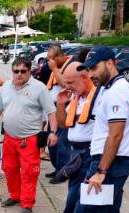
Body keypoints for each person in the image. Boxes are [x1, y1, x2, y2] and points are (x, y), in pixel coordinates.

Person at [40, 47, 129, 213]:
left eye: (95, 68)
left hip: (108, 163)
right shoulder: (111, 89)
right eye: (89, 69)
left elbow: (115, 134)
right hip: (113, 162)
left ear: (111, 63)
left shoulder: (117, 93)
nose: (92, 74)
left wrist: (101, 170)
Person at [36, 62, 100, 213]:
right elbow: (64, 124)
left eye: (70, 82)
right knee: (78, 196)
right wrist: (62, 105)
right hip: (76, 152)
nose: (67, 86)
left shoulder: (98, 97)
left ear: (85, 77)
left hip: (89, 153)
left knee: (77, 198)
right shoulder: (76, 97)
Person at [0, 57, 58, 213]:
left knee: (29, 172)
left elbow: (51, 111)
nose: (19, 75)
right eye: (15, 71)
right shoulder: (6, 87)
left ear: (29, 71)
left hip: (29, 139)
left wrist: (53, 132)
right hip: (10, 138)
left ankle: (27, 203)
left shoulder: (39, 88)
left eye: (22, 71)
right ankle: (14, 195)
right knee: (9, 169)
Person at [44, 44, 73, 182]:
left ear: (61, 56)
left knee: (61, 143)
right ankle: (57, 168)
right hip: (52, 109)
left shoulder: (68, 67)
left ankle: (63, 172)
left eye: (53, 59)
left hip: (63, 109)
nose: (50, 62)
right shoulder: (55, 68)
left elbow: (64, 85)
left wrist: (55, 69)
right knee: (52, 141)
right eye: (49, 59)